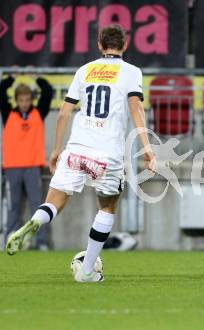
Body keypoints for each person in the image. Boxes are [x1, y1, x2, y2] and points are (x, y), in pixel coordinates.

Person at [6, 24, 156, 283]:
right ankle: (87, 270)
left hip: (77, 146)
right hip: (107, 152)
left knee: (55, 200)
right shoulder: (131, 71)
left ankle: (35, 221)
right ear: (125, 45)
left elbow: (64, 112)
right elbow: (135, 107)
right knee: (107, 207)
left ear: (99, 45)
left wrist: (55, 149)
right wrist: (147, 148)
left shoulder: (84, 70)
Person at [1, 72, 53, 250]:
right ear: (16, 100)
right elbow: (1, 91)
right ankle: (10, 241)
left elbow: (48, 91)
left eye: (27, 99)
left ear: (31, 100)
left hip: (32, 166)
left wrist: (36, 77)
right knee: (13, 206)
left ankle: (42, 242)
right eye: (21, 100)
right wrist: (12, 78)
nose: (24, 103)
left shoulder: (39, 112)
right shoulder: (8, 114)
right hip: (12, 167)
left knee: (37, 207)